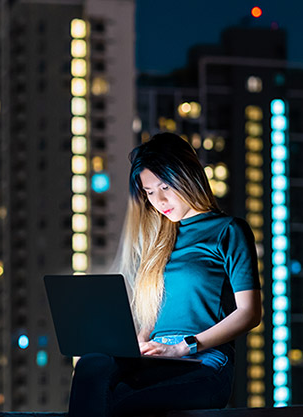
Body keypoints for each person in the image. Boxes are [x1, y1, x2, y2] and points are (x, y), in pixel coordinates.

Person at [67, 132, 263, 416]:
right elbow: (155, 313)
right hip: (156, 358)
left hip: (204, 361)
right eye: (149, 192)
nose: (158, 200)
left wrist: (185, 346)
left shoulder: (228, 230)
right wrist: (135, 343)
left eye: (165, 187)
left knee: (125, 402)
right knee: (91, 364)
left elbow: (249, 313)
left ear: (187, 176)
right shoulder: (158, 240)